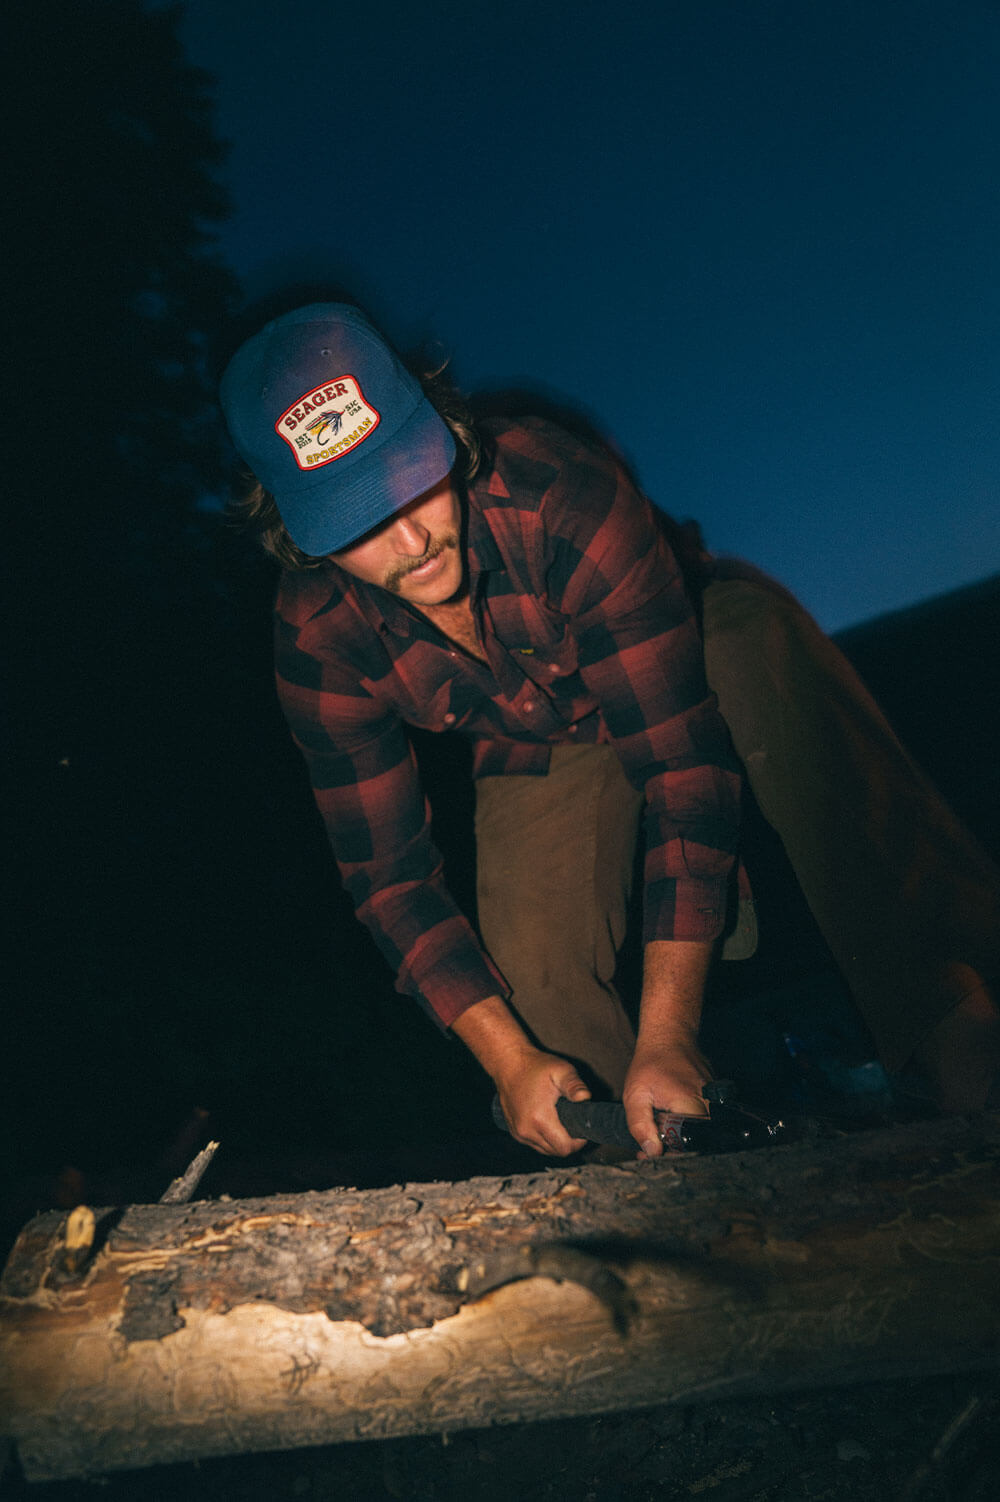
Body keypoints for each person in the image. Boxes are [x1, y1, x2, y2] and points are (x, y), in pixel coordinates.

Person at [220, 301, 1000, 1157]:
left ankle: (955, 1017)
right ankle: (657, 1154)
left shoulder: (558, 492)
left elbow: (683, 768)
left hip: (689, 643)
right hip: (535, 739)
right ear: (296, 532)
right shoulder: (316, 637)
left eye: (415, 478)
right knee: (536, 988)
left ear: (444, 429)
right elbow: (389, 877)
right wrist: (509, 1060)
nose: (412, 538)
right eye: (362, 520)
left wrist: (670, 1030)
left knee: (757, 648)